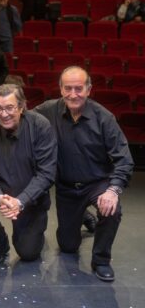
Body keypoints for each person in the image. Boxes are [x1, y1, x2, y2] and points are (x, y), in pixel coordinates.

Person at [33, 67, 134, 282]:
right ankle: (85, 216)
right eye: (67, 88)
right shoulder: (48, 110)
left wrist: (113, 190)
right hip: (66, 187)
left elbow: (124, 159)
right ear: (60, 89)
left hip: (97, 184)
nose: (73, 94)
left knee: (111, 210)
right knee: (68, 246)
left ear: (88, 90)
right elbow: (19, 115)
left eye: (78, 88)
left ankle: (101, 260)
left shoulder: (104, 118)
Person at [0, 84, 57, 266]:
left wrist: (21, 201)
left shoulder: (40, 126)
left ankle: (36, 230)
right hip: (0, 189)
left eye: (10, 107)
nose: (4, 114)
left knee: (28, 252)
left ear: (22, 106)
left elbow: (46, 174)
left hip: (30, 195)